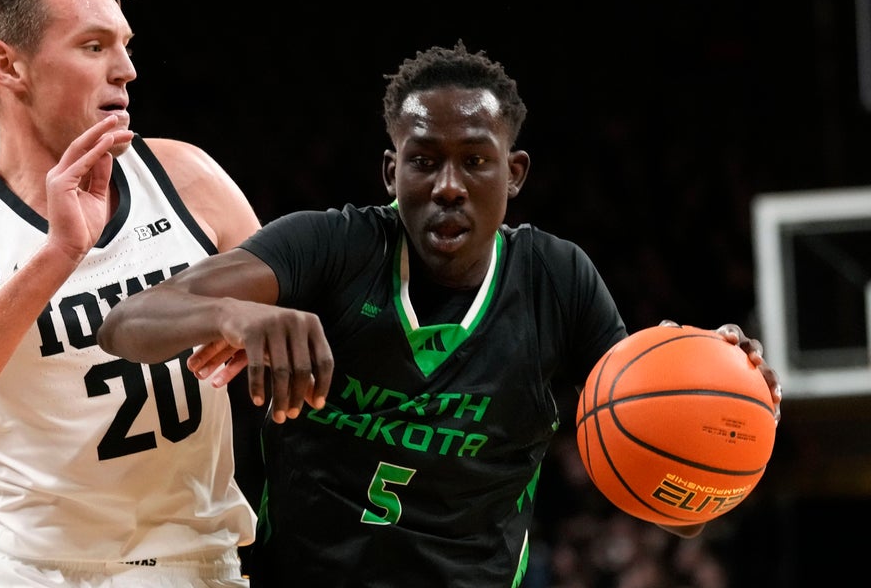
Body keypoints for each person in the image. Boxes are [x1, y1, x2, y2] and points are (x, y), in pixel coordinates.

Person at [96, 42, 783, 587]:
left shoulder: (557, 280)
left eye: (474, 162)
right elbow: (126, 322)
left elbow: (662, 496)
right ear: (390, 173)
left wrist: (716, 421)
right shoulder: (331, 247)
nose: (448, 186)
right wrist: (231, 317)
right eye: (424, 161)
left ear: (514, 174)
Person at [0, 0, 261, 586]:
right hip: (23, 568)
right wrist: (57, 256)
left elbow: (311, 332)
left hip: (187, 562)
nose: (126, 69)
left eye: (125, 46)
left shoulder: (186, 178)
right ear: (7, 66)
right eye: (93, 45)